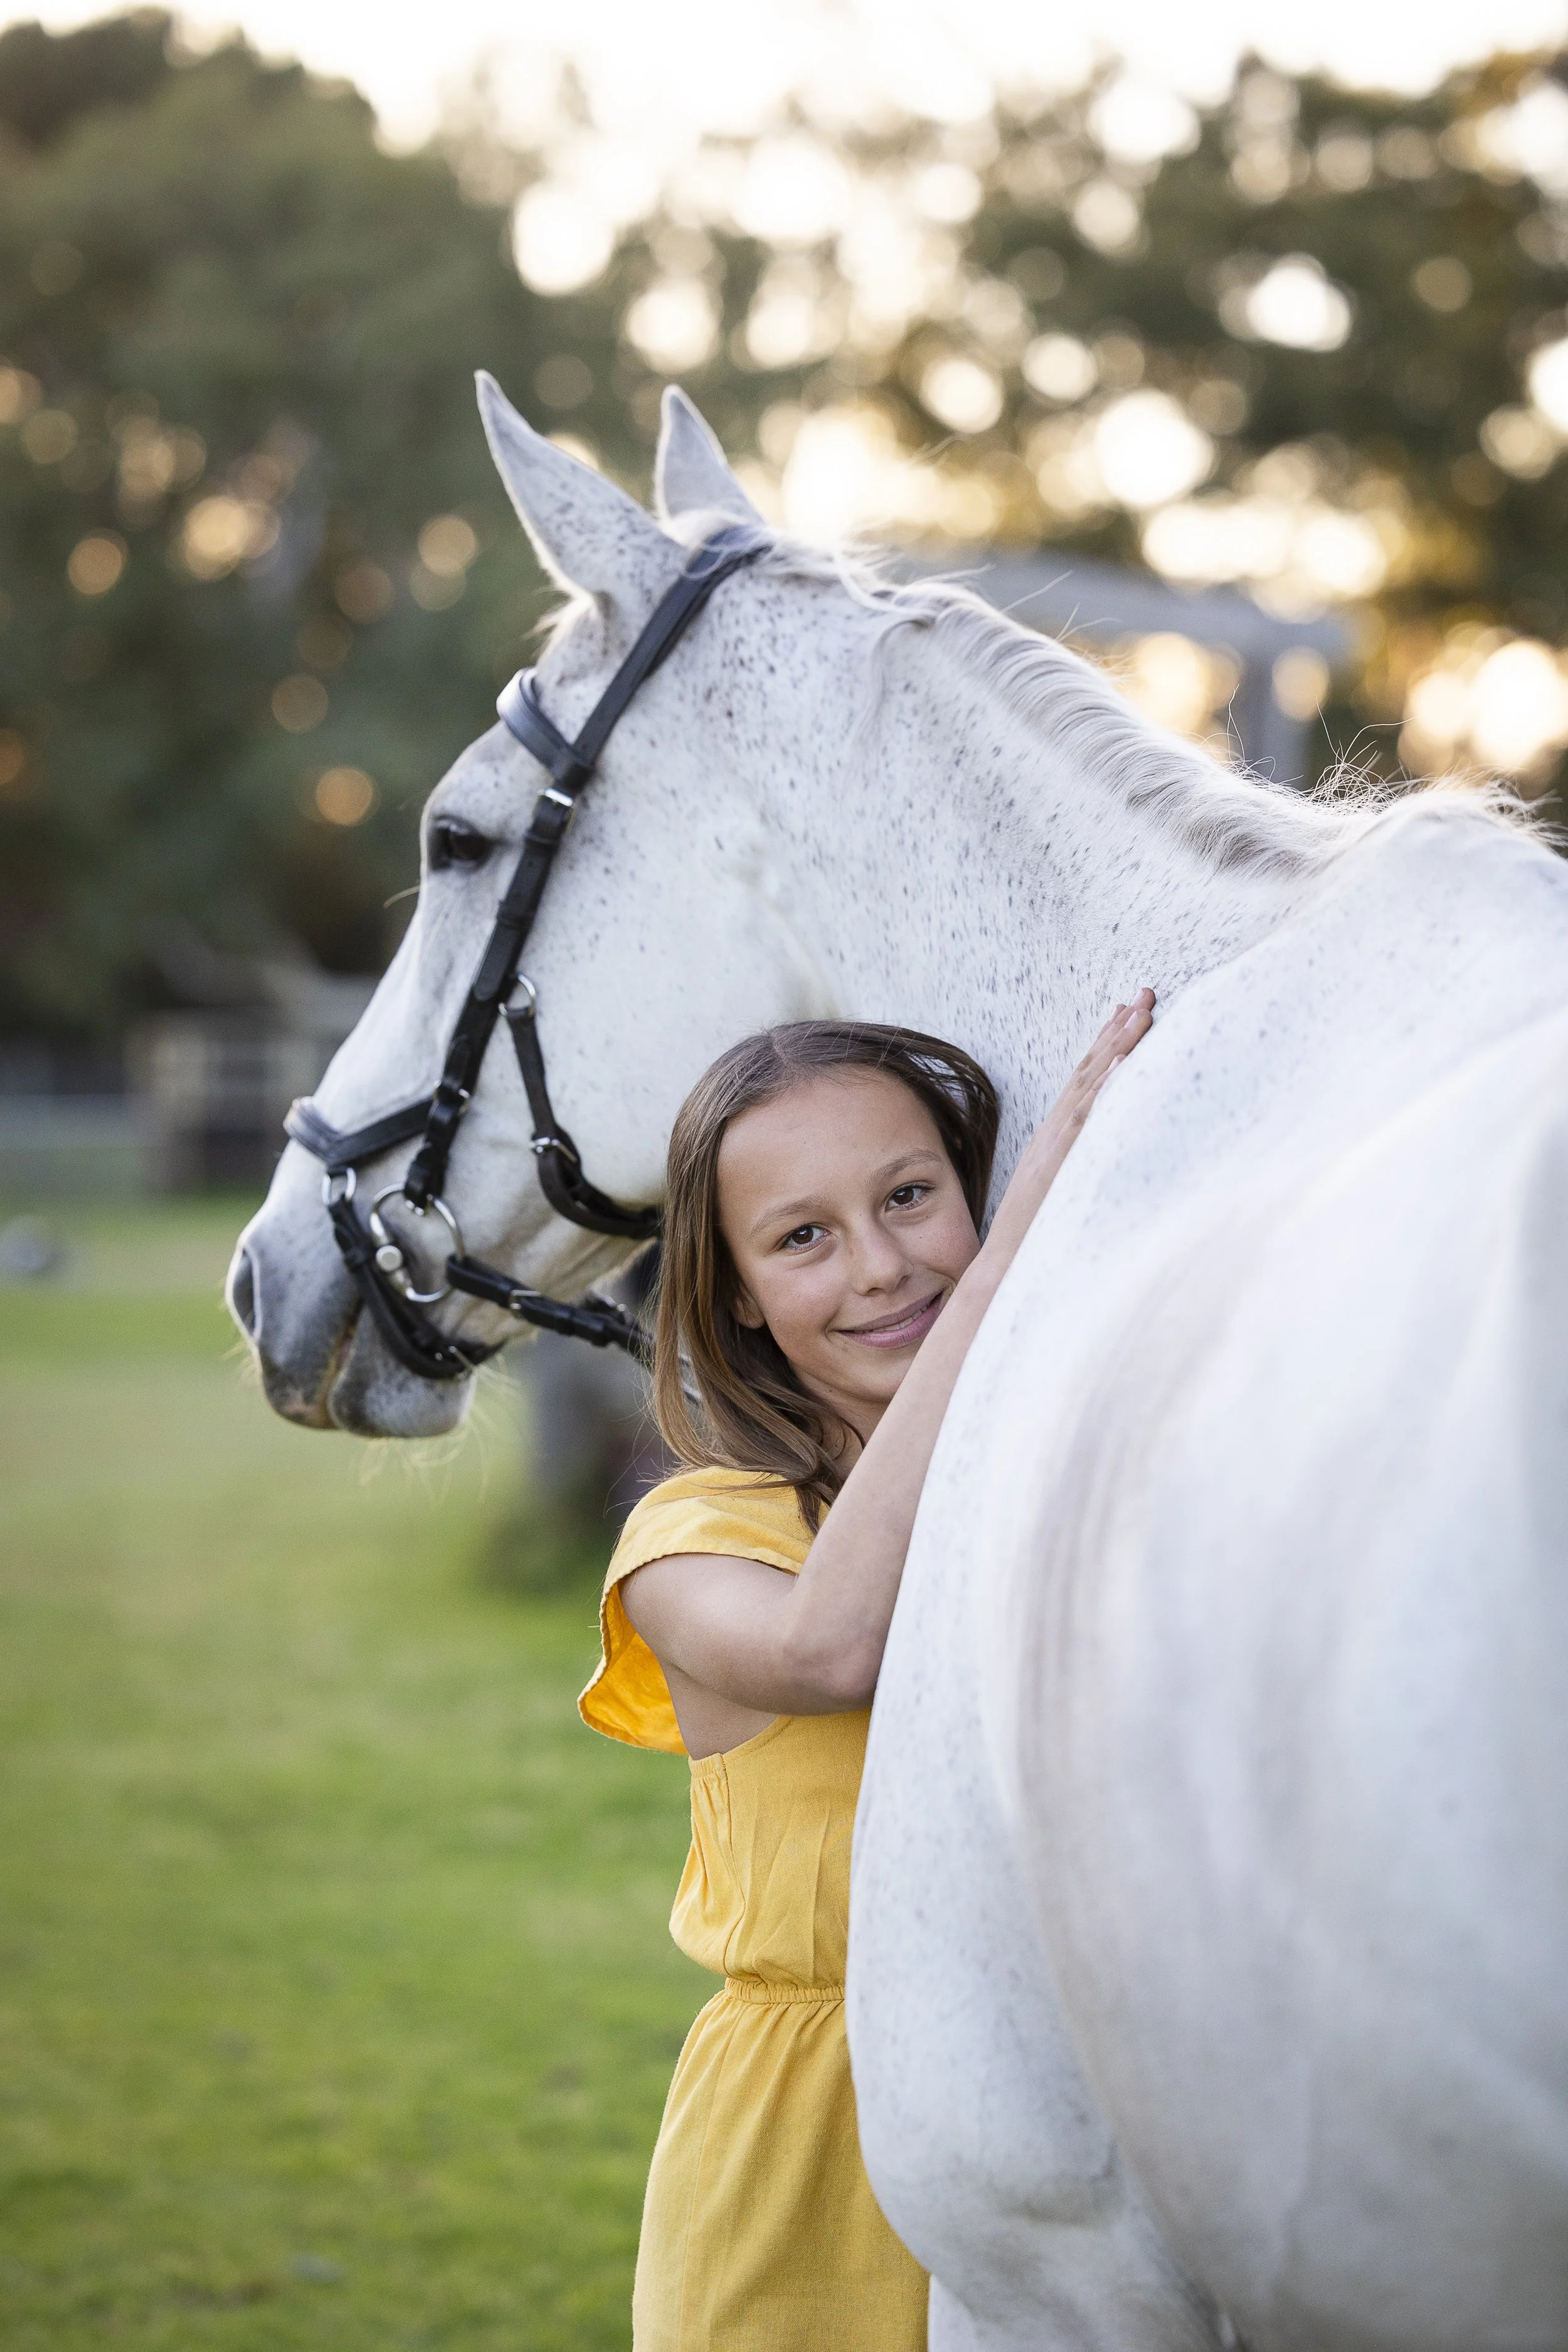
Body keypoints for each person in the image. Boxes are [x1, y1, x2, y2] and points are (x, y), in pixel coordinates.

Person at [579, 992, 1156, 2351]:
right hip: (809, 2162)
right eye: (802, 1239)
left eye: (910, 1196)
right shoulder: (692, 1538)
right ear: (734, 1296)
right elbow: (826, 1648)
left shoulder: (1055, 1495)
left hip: (1060, 2127)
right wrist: (1010, 1265)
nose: (883, 1268)